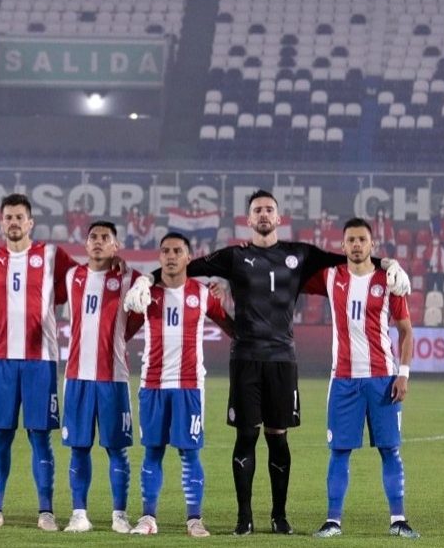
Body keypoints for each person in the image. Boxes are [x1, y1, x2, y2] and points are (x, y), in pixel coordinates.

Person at [124, 189, 411, 536]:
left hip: (282, 360)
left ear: (279, 218)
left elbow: (351, 257)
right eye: (257, 209)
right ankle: (244, 519)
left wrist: (388, 264)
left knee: (278, 439)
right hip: (245, 358)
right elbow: (185, 265)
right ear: (248, 219)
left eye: (269, 210)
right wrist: (147, 278)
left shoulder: (300, 254)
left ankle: (279, 517)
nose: (263, 214)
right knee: (245, 437)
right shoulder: (233, 257)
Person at [0, 193, 78, 531]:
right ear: (1, 223)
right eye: (8, 217)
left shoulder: (52, 255)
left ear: (30, 223)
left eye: (19, 217)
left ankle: (46, 512)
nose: (14, 222)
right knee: (0, 437)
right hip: (1, 360)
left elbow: (84, 279)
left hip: (40, 360)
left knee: (40, 437)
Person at [302, 218, 419, 539]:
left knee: (390, 450)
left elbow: (407, 332)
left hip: (382, 379)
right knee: (339, 451)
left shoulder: (390, 280)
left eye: (362, 240)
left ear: (372, 244)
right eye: (350, 240)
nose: (356, 245)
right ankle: (333, 521)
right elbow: (293, 270)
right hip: (343, 380)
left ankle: (398, 519)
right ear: (342, 246)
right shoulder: (329, 276)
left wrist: (404, 374)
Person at [124, 232, 232, 537]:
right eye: (165, 251)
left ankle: (194, 519)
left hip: (189, 386)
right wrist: (131, 307)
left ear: (188, 257)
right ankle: (148, 518)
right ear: (159, 258)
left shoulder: (202, 293)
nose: (170, 256)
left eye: (177, 251)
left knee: (189, 453)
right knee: (152, 452)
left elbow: (229, 325)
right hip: (153, 384)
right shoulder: (148, 295)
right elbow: (124, 334)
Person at [60, 221, 140, 533]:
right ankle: (79, 514)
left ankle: (119, 515)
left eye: (105, 238)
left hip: (114, 377)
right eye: (93, 236)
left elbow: (155, 286)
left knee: (116, 448)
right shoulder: (72, 276)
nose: (97, 241)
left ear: (115, 246)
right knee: (79, 447)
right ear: (85, 243)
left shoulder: (129, 278)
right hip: (77, 376)